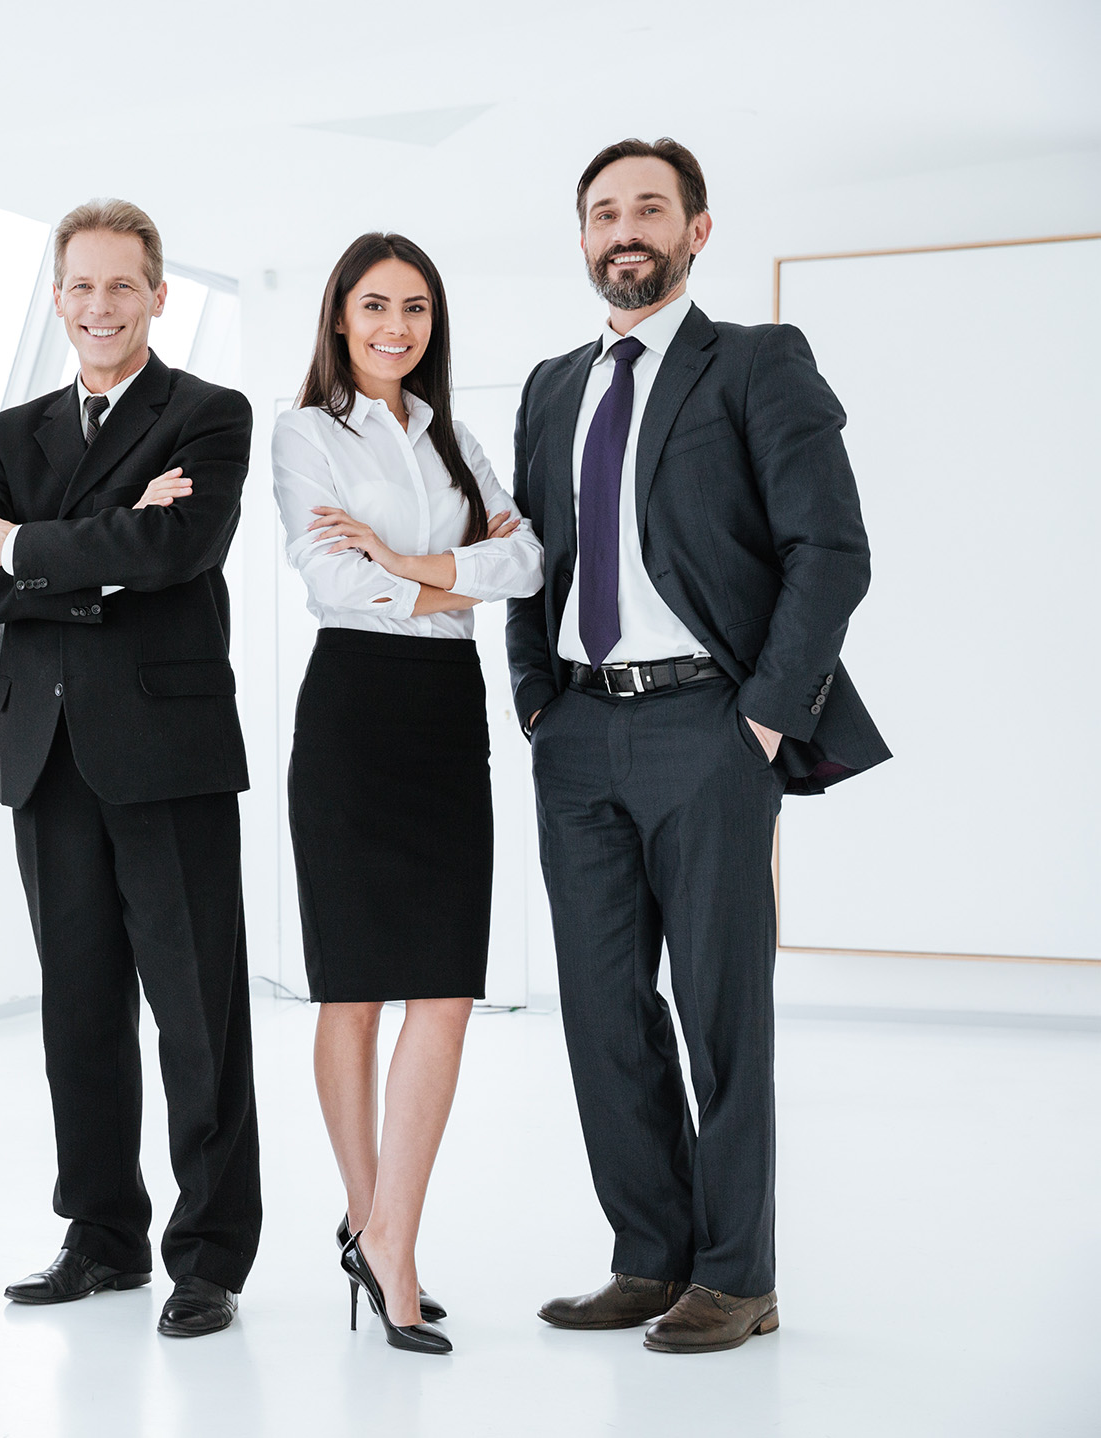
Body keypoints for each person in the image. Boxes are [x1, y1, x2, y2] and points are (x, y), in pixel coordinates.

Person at [509, 138, 890, 1353]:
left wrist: (762, 718)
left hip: (706, 726)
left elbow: (829, 551)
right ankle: (649, 1255)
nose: (624, 230)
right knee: (600, 1012)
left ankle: (738, 1274)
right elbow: (531, 560)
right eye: (603, 213)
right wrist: (532, 695)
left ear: (697, 230)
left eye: (648, 210)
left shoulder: (756, 363)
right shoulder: (550, 384)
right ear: (580, 237)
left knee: (720, 1009)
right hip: (577, 728)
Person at [0, 199, 259, 1339]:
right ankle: (102, 1237)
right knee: (77, 1011)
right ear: (56, 296)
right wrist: (109, 543)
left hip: (167, 754)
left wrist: (32, 546)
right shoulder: (11, 432)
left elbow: (180, 546)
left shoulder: (208, 416)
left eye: (120, 286)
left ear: (158, 295)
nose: (98, 306)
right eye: (79, 285)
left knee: (197, 1015)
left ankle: (209, 1254)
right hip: (48, 751)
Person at [270, 233, 544, 1354]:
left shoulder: (454, 439)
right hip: (351, 714)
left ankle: (388, 1228)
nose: (396, 327)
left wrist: (408, 563)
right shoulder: (302, 433)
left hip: (445, 717)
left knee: (442, 988)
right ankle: (381, 1235)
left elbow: (525, 569)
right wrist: (440, 576)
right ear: (339, 317)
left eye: (416, 308)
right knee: (355, 990)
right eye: (374, 305)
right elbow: (333, 582)